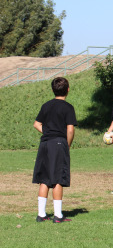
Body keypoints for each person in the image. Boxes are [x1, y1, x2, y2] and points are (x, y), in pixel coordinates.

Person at [32, 77, 77, 223]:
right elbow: (70, 130)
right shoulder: (68, 107)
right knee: (58, 178)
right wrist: (67, 144)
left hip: (45, 143)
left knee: (44, 178)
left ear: (53, 90)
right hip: (58, 144)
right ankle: (58, 215)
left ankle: (41, 214)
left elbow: (36, 124)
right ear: (68, 90)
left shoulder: (46, 105)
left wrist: (47, 132)